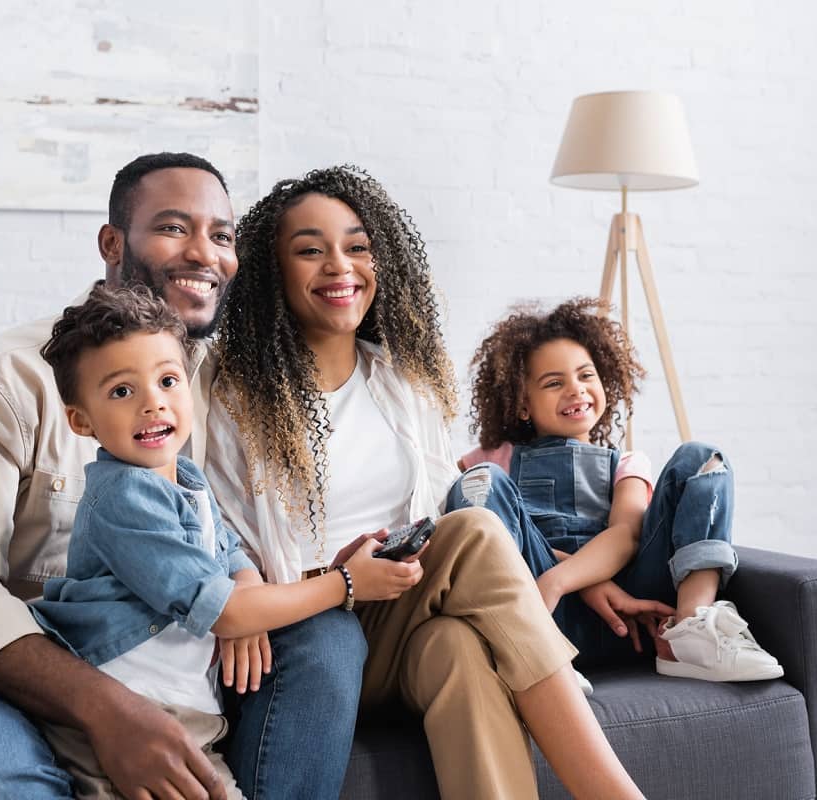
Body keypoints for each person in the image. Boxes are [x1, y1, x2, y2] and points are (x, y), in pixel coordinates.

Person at [0, 152, 360, 800]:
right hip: (1, 678)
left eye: (221, 234)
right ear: (112, 242)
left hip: (170, 658)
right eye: (175, 227)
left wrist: (245, 595)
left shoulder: (220, 386)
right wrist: (107, 711)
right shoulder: (4, 378)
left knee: (327, 637)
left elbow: (229, 535)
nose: (203, 254)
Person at [205, 165, 648, 800]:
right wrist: (329, 579)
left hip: (402, 612)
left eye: (357, 247)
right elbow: (218, 531)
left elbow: (443, 515)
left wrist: (584, 574)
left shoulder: (402, 384)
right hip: (303, 626)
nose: (340, 266)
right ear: (272, 272)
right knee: (473, 529)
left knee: (455, 645)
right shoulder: (233, 395)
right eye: (310, 250)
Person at [31, 285, 410, 799]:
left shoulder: (186, 477)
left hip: (190, 720)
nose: (152, 403)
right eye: (122, 391)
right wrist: (344, 583)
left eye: (167, 381)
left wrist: (247, 590)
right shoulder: (123, 497)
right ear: (81, 420)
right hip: (128, 719)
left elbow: (227, 550)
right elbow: (221, 610)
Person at [446, 298, 783, 683]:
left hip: (631, 614)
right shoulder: (493, 460)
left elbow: (625, 535)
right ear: (522, 404)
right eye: (554, 383)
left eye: (585, 375)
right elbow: (465, 533)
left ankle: (690, 631)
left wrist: (557, 581)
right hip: (536, 614)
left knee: (704, 458)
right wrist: (586, 582)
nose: (576, 390)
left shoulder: (626, 464)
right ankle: (527, 649)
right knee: (478, 483)